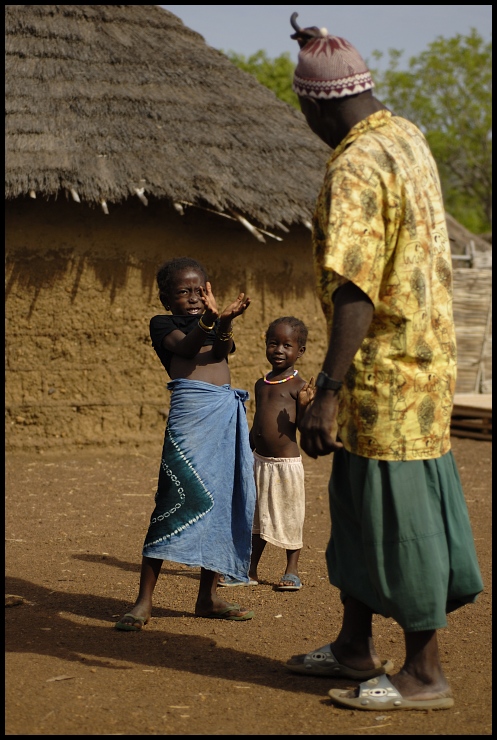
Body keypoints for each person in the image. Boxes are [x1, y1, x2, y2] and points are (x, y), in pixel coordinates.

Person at [285, 13, 483, 711]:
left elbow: (354, 289)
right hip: (419, 371)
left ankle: (424, 673)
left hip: (382, 379)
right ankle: (351, 644)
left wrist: (327, 390)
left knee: (400, 524)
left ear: (314, 104)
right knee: (360, 513)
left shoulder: (355, 165)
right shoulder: (407, 137)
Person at [115, 256, 256, 629]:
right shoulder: (163, 324)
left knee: (221, 501)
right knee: (174, 498)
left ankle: (207, 597)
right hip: (191, 417)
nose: (193, 297)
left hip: (224, 413)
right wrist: (212, 319)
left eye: (199, 290)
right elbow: (189, 349)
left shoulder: (211, 324)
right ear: (166, 298)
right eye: (183, 291)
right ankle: (144, 601)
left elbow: (221, 352)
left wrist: (224, 321)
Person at [219, 316, 314, 591]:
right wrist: (245, 452)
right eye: (274, 343)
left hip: (286, 465)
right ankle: (249, 570)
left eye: (287, 345)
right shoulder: (262, 384)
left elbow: (306, 428)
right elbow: (258, 423)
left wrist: (306, 406)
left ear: (300, 351)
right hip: (259, 461)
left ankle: (292, 570)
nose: (279, 350)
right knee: (256, 517)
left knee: (290, 514)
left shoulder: (300, 387)